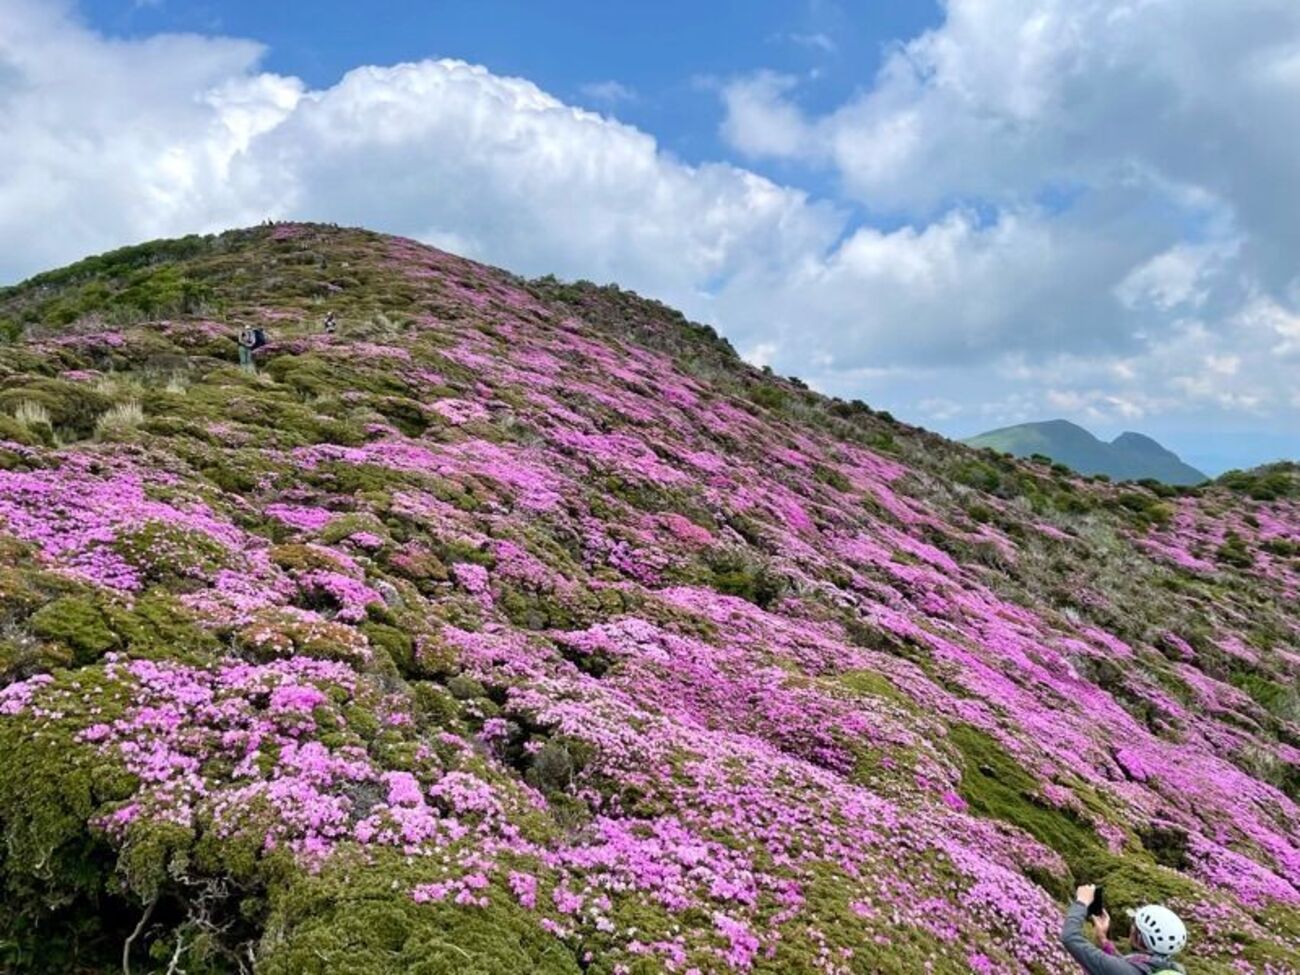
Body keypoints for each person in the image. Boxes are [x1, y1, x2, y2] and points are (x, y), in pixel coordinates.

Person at [1061, 885, 1188, 974]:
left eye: (1134, 925)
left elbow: (1070, 938)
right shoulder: (1165, 968)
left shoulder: (1122, 970)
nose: (1131, 927)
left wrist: (1081, 902)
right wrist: (1103, 940)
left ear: (1139, 937)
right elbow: (1125, 967)